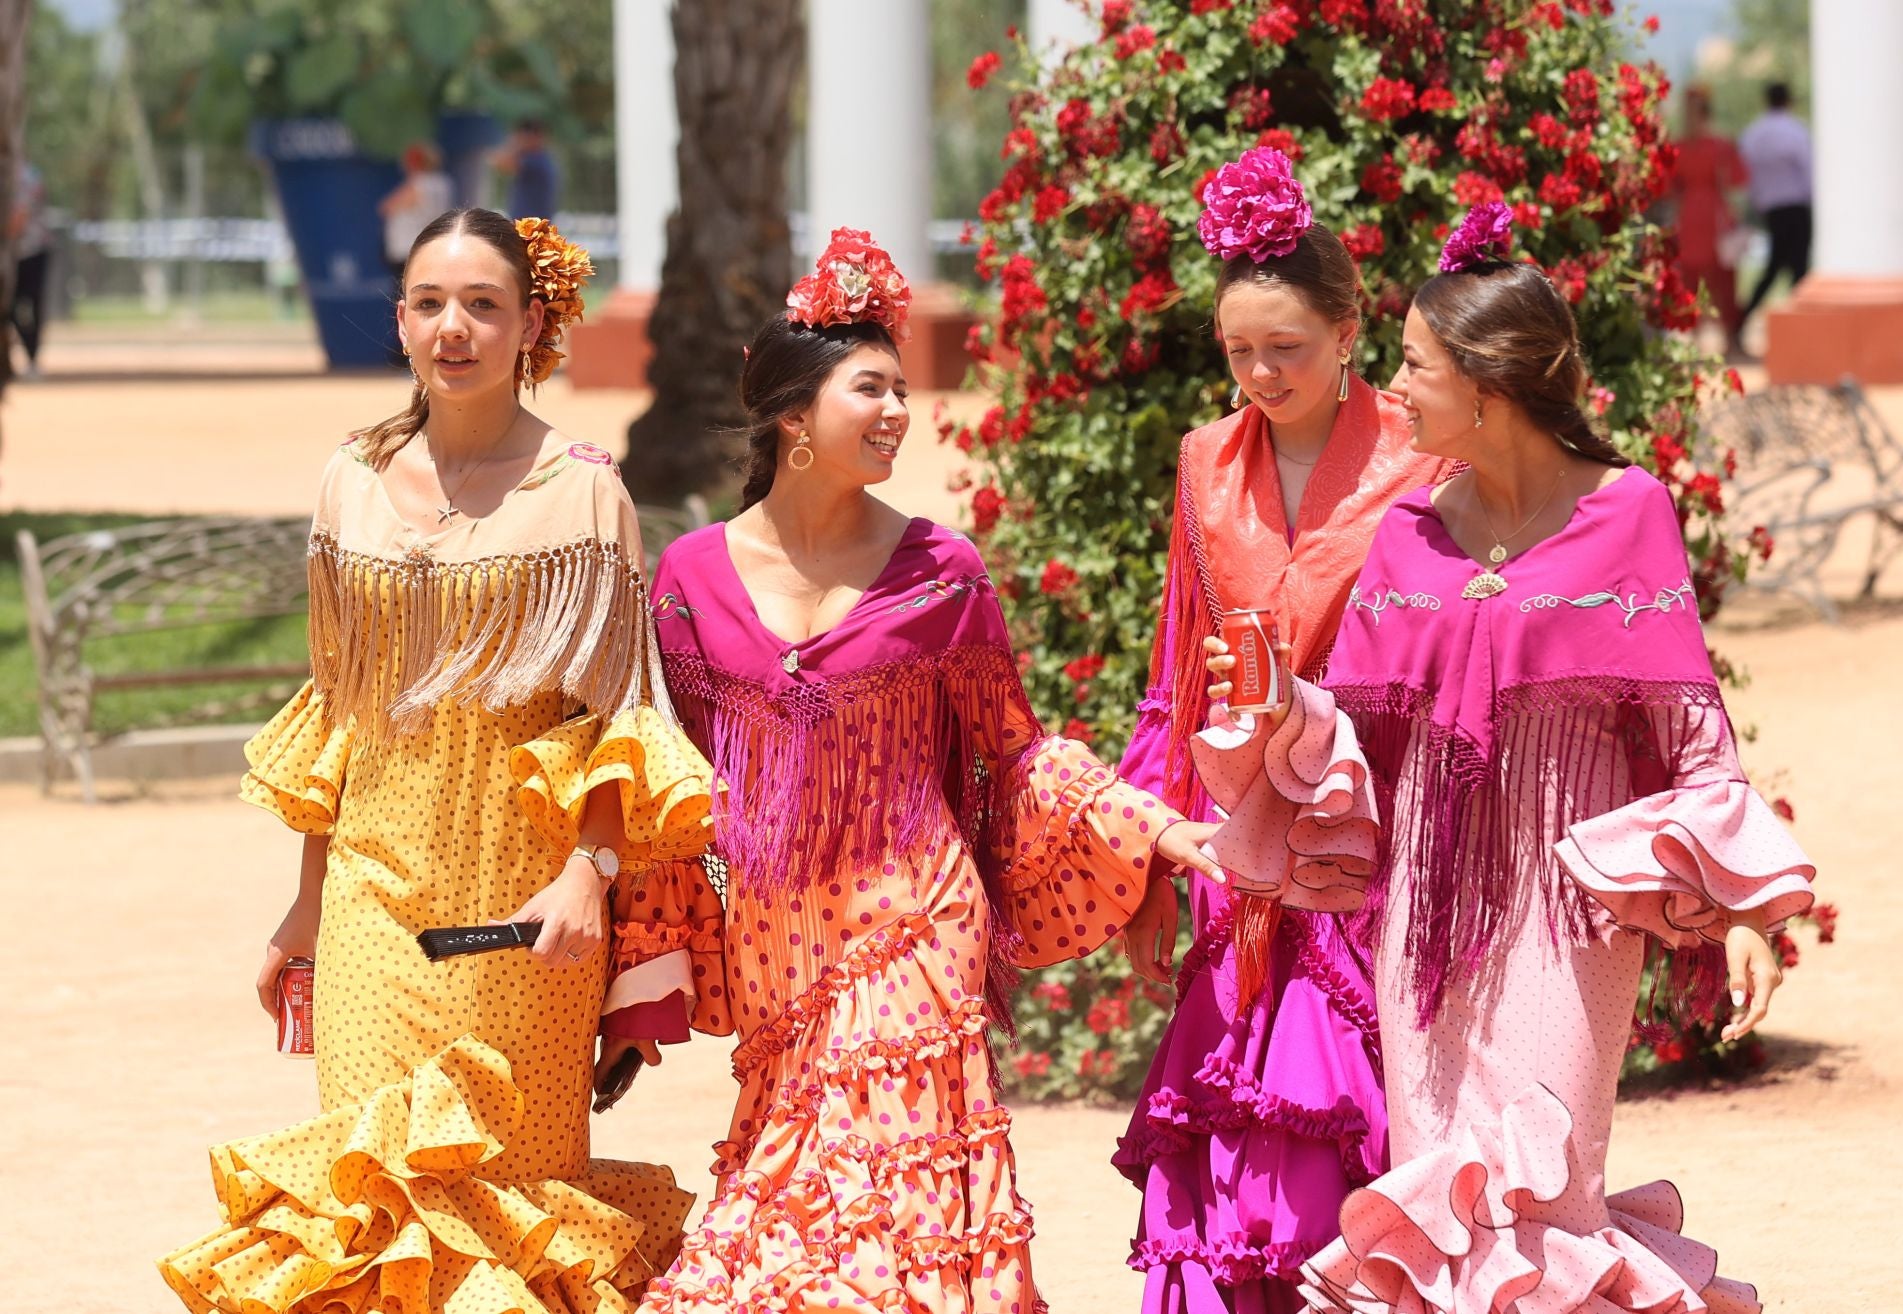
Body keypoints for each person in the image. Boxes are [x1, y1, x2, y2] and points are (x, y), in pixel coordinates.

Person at [1195, 203, 1817, 1314]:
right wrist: (1281, 706)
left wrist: (1746, 914)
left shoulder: (1629, 513)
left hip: (1569, 913)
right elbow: (1361, 739)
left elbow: (1690, 732)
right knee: (1442, 1190)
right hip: (1424, 921)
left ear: (1487, 386)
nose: (1395, 388)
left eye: (1415, 365)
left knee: (1542, 1188)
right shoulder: (1408, 535)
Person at [629, 228, 1224, 1312]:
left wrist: (1151, 829)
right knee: (788, 1220)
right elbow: (679, 776)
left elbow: (1014, 750)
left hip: (917, 918)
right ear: (793, 415)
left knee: (888, 1197)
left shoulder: (943, 572)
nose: (900, 411)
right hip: (778, 945)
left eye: (903, 389)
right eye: (872, 389)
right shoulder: (687, 578)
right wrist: (638, 959)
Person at [157, 208, 716, 1314]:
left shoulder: (582, 491)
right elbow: (340, 716)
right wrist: (306, 905)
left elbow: (623, 714)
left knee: (512, 1195)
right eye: (428, 304)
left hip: (527, 913)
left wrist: (590, 876)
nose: (452, 327)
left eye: (483, 305)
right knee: (375, 1200)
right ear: (402, 320)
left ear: (530, 327)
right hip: (373, 899)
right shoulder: (350, 481)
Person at [1110, 144, 1448, 1314]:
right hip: (1237, 845)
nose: (1259, 372)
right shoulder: (1206, 462)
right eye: (1238, 350)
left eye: (1285, 349)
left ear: (1353, 324)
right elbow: (1174, 681)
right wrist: (1149, 858)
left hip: (1385, 836)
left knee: (1371, 1123)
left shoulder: (1428, 453)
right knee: (1234, 1122)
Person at [1671, 86, 1749, 346]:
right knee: (1720, 280)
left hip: (1689, 214)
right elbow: (1738, 180)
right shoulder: (1721, 145)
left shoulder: (1679, 147)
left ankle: (1694, 339)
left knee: (1693, 278)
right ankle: (1727, 338)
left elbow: (1668, 188)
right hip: (1713, 215)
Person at [1738, 82, 1814, 343]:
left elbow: (1747, 173)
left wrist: (1758, 201)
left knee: (1773, 268)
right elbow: (1809, 170)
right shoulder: (1795, 130)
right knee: (1799, 267)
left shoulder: (1754, 133)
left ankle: (1744, 319)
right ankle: (1799, 327)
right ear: (1788, 101)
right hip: (1796, 206)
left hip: (1771, 209)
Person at [377, 142, 455, 288]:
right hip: (430, 243)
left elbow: (386, 207)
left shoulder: (418, 184)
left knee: (404, 290)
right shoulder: (443, 183)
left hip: (407, 248)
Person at [9, 158, 50, 378]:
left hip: (32, 250)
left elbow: (18, 219)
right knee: (11, 307)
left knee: (31, 304)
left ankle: (32, 359)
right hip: (10, 253)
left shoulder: (27, 176)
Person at [496, 119, 560, 220]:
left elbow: (502, 162)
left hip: (530, 227)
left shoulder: (537, 160)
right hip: (530, 225)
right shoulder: (539, 158)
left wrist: (513, 145)